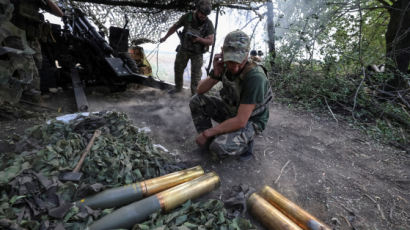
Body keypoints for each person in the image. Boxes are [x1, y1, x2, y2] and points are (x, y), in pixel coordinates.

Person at [189, 30, 273, 161]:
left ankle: (245, 144)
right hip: (232, 110)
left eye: (239, 61)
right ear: (222, 53)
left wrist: (208, 132)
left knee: (217, 148)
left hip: (250, 120)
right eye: (230, 61)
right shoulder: (222, 65)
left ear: (247, 55)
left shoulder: (255, 77)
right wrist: (215, 75)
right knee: (196, 101)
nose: (234, 67)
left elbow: (241, 120)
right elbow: (199, 91)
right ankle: (210, 140)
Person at [10, 0, 63, 98]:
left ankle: (23, 92)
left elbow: (59, 13)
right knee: (29, 69)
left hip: (32, 39)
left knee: (38, 65)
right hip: (16, 36)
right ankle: (31, 97)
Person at [159, 0, 214, 95]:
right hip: (184, 49)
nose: (203, 16)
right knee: (178, 69)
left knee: (196, 76)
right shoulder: (187, 17)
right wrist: (165, 37)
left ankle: (195, 95)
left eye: (206, 15)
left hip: (197, 53)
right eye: (201, 13)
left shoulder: (208, 24)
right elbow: (174, 27)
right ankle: (178, 89)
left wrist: (199, 40)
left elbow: (210, 41)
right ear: (197, 9)